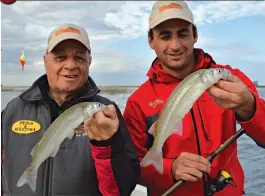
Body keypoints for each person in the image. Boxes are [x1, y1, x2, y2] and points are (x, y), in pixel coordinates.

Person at [123, 1, 265, 196]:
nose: (175, 45)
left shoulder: (231, 79)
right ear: (151, 40)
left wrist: (250, 107)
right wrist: (169, 169)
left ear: (195, 35)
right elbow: (130, 167)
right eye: (165, 36)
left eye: (183, 34)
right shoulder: (138, 101)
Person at [1, 23, 140, 196]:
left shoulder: (107, 114)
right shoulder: (13, 110)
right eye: (60, 57)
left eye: (80, 58)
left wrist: (106, 144)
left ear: (89, 61)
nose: (70, 65)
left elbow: (122, 190)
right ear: (45, 61)